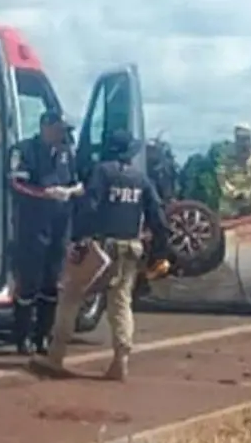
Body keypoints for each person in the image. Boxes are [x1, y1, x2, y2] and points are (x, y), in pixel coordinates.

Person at [46, 127, 172, 381]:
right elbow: (157, 217)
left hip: (100, 247)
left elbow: (89, 207)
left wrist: (77, 239)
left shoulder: (101, 172)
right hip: (130, 248)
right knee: (120, 302)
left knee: (71, 296)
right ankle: (120, 360)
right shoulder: (140, 179)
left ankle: (56, 355)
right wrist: (160, 251)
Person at [8, 108, 81, 355]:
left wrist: (71, 192)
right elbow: (16, 183)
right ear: (46, 127)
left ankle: (43, 336)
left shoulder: (66, 154)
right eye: (59, 130)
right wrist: (44, 194)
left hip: (59, 225)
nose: (63, 135)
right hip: (32, 225)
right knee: (28, 283)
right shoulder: (24, 150)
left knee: (52, 283)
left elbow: (76, 182)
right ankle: (22, 337)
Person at [215, 122, 251, 218]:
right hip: (230, 209)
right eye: (241, 139)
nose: (244, 143)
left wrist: (249, 195)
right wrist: (235, 194)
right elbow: (221, 179)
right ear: (236, 139)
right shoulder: (226, 157)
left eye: (247, 139)